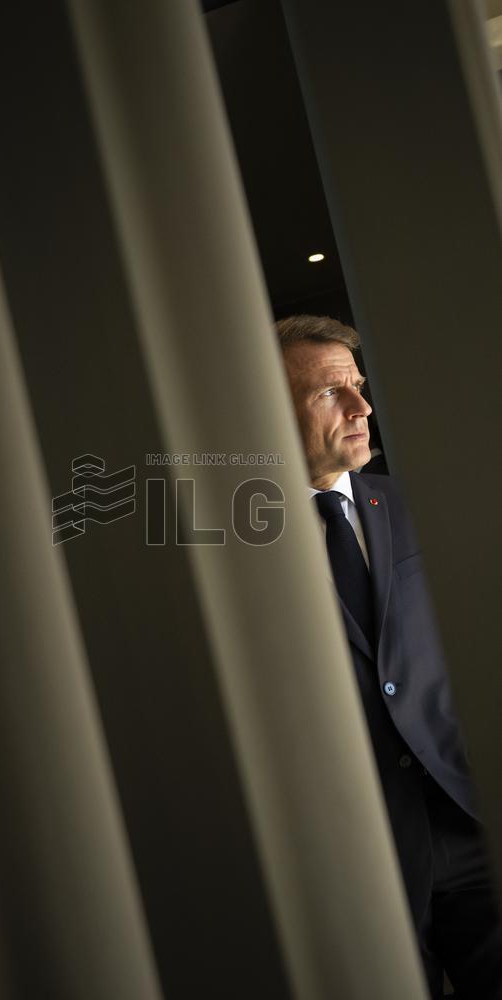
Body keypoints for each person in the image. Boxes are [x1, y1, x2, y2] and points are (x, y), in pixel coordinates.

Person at [276, 314, 502, 999]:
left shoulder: (413, 508)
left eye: (359, 387)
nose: (361, 408)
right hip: (354, 855)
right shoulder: (237, 542)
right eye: (329, 393)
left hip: (467, 824)